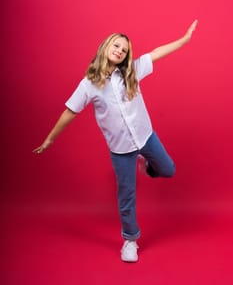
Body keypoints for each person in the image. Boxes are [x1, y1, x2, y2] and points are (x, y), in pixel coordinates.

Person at [33, 20, 198, 262]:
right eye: (117, 45)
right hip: (121, 149)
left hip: (145, 136)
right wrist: (49, 139)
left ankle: (147, 164)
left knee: (168, 169)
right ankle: (130, 240)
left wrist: (184, 40)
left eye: (124, 49)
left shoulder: (131, 71)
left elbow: (155, 53)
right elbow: (70, 111)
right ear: (106, 46)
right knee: (127, 195)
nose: (120, 50)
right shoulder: (89, 84)